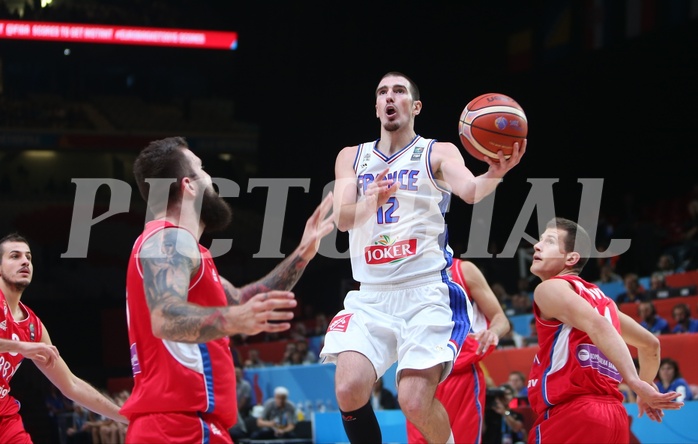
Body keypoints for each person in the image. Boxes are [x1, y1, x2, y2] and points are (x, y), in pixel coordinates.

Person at [320, 71, 525, 444]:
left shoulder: (438, 151)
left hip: (425, 292)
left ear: (414, 106)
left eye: (399, 91)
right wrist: (371, 201)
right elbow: (343, 219)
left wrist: (495, 173)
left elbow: (470, 191)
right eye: (382, 92)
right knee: (349, 388)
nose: (389, 97)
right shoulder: (352, 156)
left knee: (413, 401)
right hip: (371, 295)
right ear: (377, 106)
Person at [119, 137, 335, 443]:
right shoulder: (169, 241)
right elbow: (165, 317)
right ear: (188, 185)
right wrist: (234, 320)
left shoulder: (182, 248)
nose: (211, 178)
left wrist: (303, 253)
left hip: (183, 426)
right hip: (178, 428)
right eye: (202, 169)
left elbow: (241, 299)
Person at [527, 217, 684, 443]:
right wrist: (645, 384)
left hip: (573, 414)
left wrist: (636, 383)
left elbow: (597, 325)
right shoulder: (605, 302)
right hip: (614, 417)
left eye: (549, 241)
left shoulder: (548, 289)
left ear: (571, 258)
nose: (537, 245)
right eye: (540, 240)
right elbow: (650, 345)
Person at [0, 233, 128, 443]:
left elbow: (71, 385)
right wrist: (21, 347)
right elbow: (21, 347)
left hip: (4, 417)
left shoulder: (33, 327)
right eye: (14, 256)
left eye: (29, 258)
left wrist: (125, 417)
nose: (25, 261)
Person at [406, 258, 510, 444]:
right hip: (418, 374)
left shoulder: (463, 270)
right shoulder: (402, 271)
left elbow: (500, 318)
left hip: (461, 374)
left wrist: (493, 331)